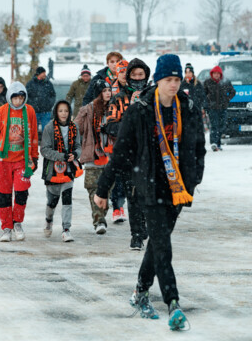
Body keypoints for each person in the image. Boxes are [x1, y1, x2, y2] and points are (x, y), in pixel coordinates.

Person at [94, 54, 206, 330]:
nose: (174, 85)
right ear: (158, 80)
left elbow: (199, 148)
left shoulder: (188, 108)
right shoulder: (142, 109)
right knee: (163, 246)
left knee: (157, 242)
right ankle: (173, 303)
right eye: (169, 80)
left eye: (177, 80)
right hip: (150, 186)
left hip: (178, 188)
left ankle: (140, 291)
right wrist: (102, 188)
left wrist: (194, 178)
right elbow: (121, 153)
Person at [0, 81, 39, 242]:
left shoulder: (30, 112)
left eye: (21, 98)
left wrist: (34, 157)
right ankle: (6, 227)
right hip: (2, 160)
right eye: (15, 98)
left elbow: (34, 136)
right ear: (9, 98)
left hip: (22, 160)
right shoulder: (1, 111)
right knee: (4, 194)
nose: (18, 102)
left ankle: (17, 222)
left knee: (21, 191)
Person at [104, 58, 150, 249]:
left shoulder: (153, 95)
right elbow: (110, 125)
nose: (138, 78)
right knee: (132, 196)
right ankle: (136, 235)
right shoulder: (118, 98)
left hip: (150, 154)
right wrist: (129, 123)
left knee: (148, 195)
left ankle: (145, 225)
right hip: (127, 154)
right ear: (128, 77)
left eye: (141, 75)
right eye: (134, 75)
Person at [40, 100, 82, 242]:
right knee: (52, 200)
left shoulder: (74, 127)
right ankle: (48, 219)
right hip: (52, 170)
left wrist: (75, 154)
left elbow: (78, 146)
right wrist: (61, 156)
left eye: (66, 110)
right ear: (56, 112)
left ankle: (66, 229)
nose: (64, 113)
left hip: (69, 170)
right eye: (60, 111)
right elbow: (44, 149)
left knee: (67, 198)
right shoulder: (49, 128)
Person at [75, 80, 112, 235]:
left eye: (109, 90)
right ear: (98, 93)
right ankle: (99, 221)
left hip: (110, 156)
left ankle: (101, 214)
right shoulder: (88, 110)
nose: (108, 93)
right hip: (92, 155)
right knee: (93, 189)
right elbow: (76, 129)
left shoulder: (114, 109)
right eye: (104, 90)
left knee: (107, 191)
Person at [203, 66, 236, 151]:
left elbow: (233, 92)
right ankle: (214, 143)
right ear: (212, 74)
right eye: (215, 73)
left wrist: (227, 99)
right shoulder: (207, 82)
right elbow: (203, 95)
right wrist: (206, 105)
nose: (216, 75)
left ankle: (218, 143)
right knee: (214, 126)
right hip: (212, 108)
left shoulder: (226, 82)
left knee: (222, 126)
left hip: (223, 107)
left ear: (220, 74)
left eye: (218, 73)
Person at [26, 66, 56, 137]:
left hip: (46, 112)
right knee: (32, 131)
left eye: (45, 73)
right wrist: (31, 105)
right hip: (34, 112)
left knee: (46, 132)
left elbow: (53, 95)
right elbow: (26, 96)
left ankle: (46, 146)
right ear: (38, 74)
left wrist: (50, 104)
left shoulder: (48, 83)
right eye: (43, 73)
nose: (45, 74)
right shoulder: (30, 84)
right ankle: (33, 146)